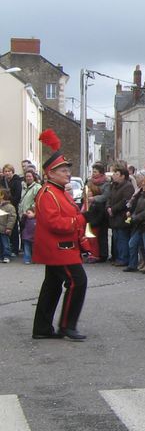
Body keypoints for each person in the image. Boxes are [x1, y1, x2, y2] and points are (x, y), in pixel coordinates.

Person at [30, 131, 88, 342]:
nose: (67, 173)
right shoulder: (48, 193)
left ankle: (42, 328)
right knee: (78, 281)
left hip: (64, 246)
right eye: (62, 170)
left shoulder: (59, 191)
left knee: (52, 286)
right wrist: (80, 220)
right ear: (50, 173)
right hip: (58, 248)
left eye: (67, 169)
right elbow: (54, 224)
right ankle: (67, 325)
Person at [106, 166, 134, 267]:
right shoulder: (113, 186)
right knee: (116, 238)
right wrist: (108, 207)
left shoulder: (128, 186)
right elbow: (109, 197)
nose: (114, 176)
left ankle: (123, 258)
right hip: (113, 216)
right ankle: (117, 257)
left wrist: (113, 209)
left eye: (116, 174)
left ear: (123, 176)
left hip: (121, 216)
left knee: (123, 238)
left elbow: (125, 201)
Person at [18, 170, 41, 264]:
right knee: (25, 236)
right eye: (27, 176)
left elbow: (38, 200)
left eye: (30, 176)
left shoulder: (37, 187)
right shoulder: (23, 186)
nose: (28, 178)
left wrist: (32, 210)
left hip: (32, 215)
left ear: (33, 177)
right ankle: (27, 256)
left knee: (32, 238)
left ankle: (34, 257)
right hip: (23, 215)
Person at [0, 188, 15, 262]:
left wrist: (9, 227)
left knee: (5, 243)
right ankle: (1, 256)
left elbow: (12, 218)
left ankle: (6, 255)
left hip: (4, 228)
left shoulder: (10, 207)